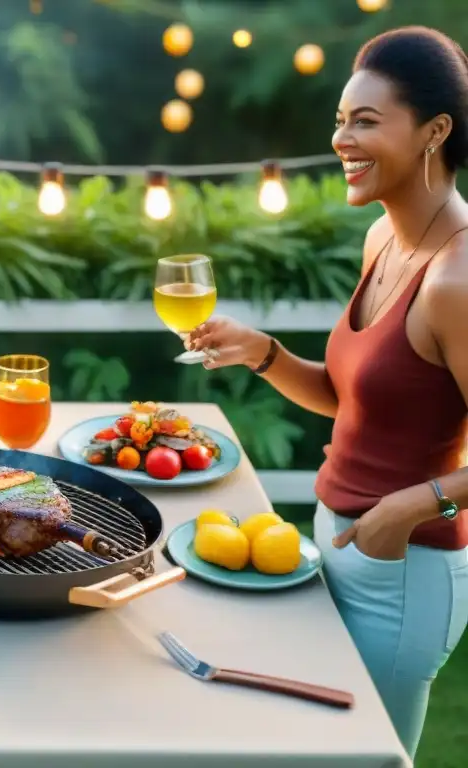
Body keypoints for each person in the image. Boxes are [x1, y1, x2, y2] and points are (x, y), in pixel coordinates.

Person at [187, 26, 468, 758]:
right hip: (334, 545)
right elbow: (357, 404)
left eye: (366, 121)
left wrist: (401, 511)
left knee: (367, 758)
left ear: (435, 131)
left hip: (402, 572)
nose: (343, 138)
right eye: (341, 120)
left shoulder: (458, 279)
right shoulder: (385, 240)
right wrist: (265, 354)